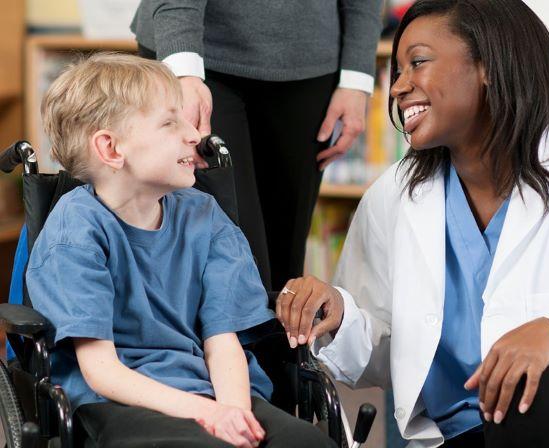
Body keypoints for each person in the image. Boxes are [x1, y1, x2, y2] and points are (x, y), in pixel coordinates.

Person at [276, 1, 549, 447]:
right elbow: (386, 358)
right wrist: (338, 313)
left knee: (538, 386)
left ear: (488, 66)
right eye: (397, 69)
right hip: (454, 438)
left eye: (418, 63)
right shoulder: (391, 197)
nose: (398, 87)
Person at [26, 53, 336, 448]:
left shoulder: (205, 217)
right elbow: (101, 369)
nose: (194, 134)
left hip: (212, 386)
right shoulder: (77, 229)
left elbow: (222, 340)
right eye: (170, 122)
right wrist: (206, 414)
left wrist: (234, 414)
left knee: (306, 443)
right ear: (110, 148)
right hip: (116, 401)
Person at [130, 0, 383, 292]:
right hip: (194, 55)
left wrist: (357, 78)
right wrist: (182, 69)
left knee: (283, 266)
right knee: (230, 254)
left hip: (307, 65)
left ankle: (275, 337)